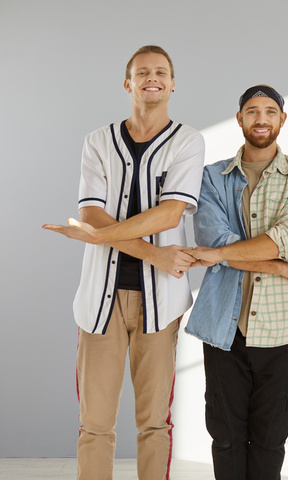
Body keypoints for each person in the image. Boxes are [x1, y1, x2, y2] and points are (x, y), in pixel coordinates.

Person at [42, 45, 205, 479]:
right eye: (142, 72)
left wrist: (93, 237)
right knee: (95, 424)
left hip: (161, 303)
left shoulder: (188, 140)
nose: (152, 78)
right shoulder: (98, 141)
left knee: (154, 422)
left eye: (161, 72)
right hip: (100, 302)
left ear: (172, 83)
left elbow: (171, 212)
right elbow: (93, 211)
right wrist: (152, 252)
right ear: (127, 83)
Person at [184, 85, 288, 479]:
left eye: (270, 111)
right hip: (224, 324)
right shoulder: (211, 177)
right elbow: (213, 239)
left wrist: (227, 255)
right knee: (224, 434)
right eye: (252, 111)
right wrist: (279, 266)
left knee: (270, 436)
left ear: (282, 119)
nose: (261, 118)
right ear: (239, 118)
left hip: (282, 326)